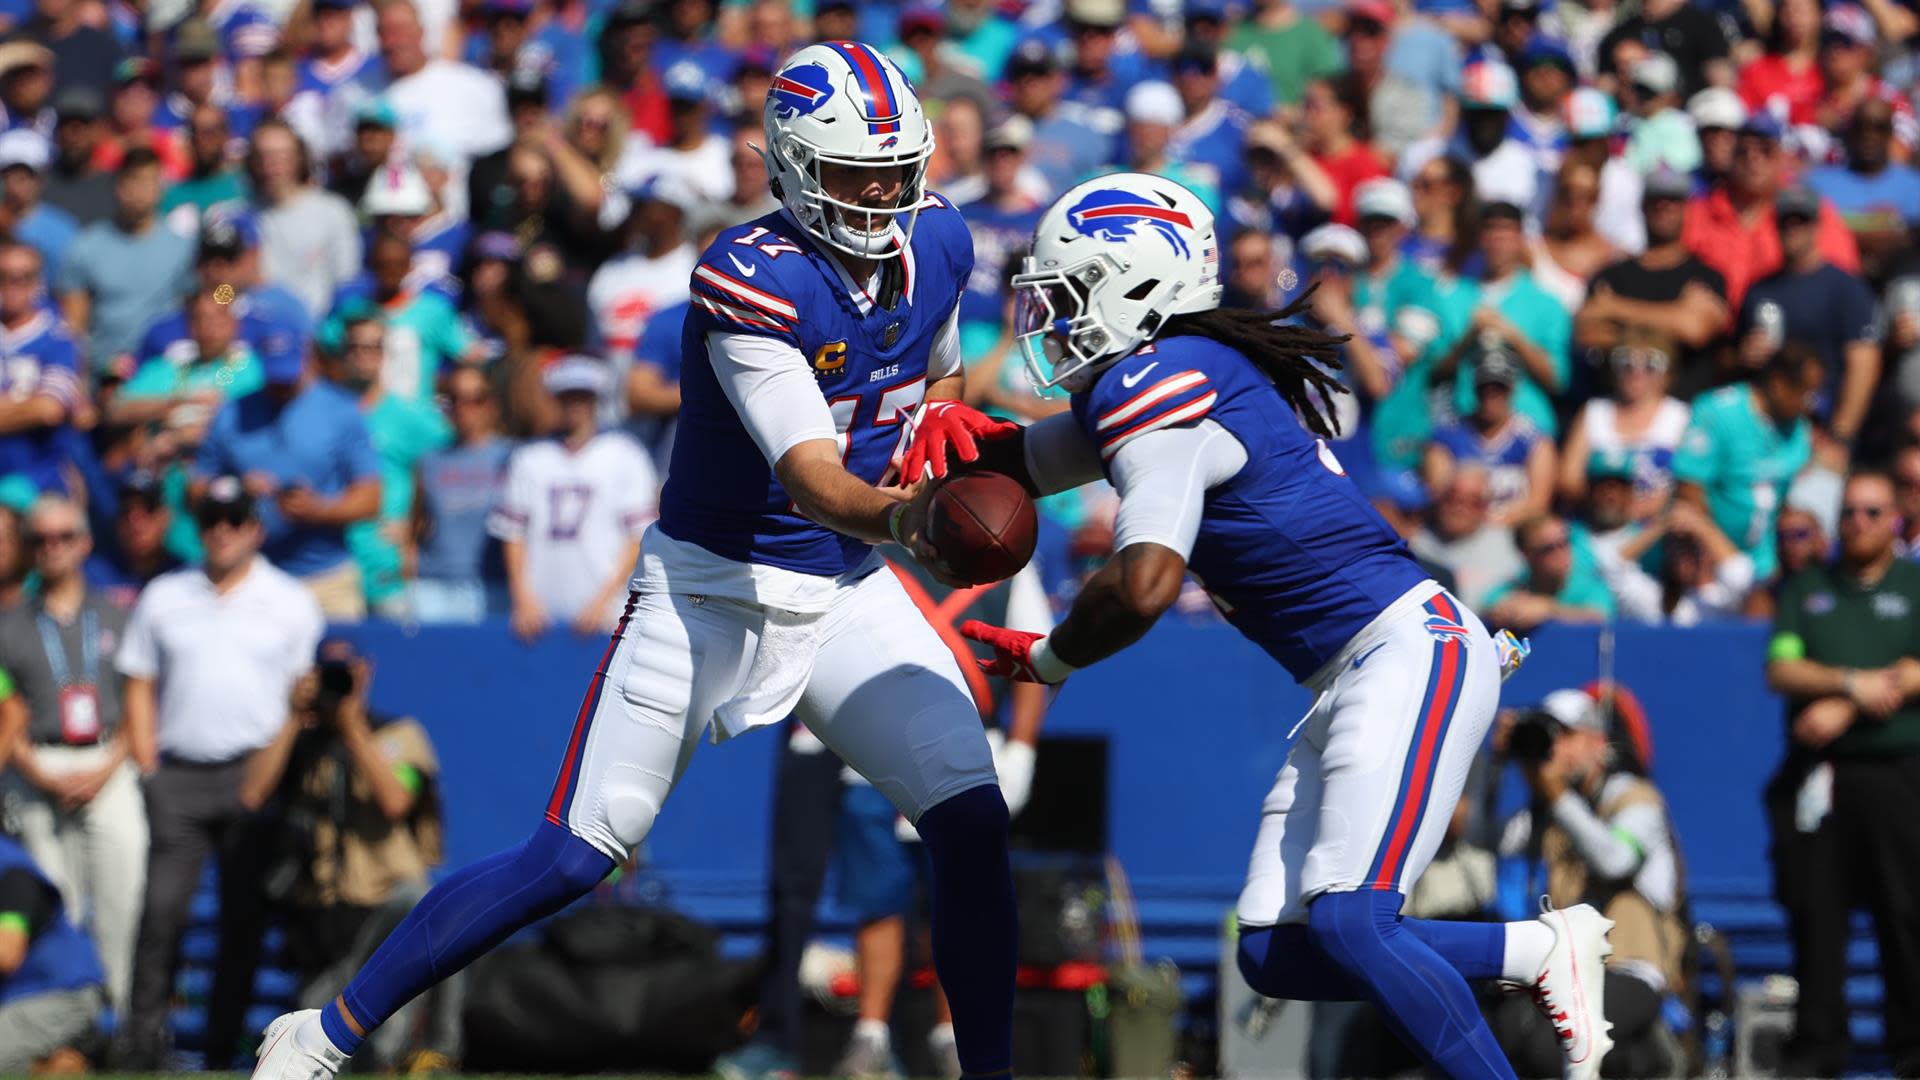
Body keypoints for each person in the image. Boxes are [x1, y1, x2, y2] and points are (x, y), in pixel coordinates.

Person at [251, 45, 1021, 1080]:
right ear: (792, 167)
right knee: (574, 853)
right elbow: (812, 479)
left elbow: (935, 367)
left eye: (897, 169)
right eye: (856, 174)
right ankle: (322, 1036)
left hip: (843, 591)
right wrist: (922, 521)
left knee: (971, 818)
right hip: (710, 591)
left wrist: (939, 421)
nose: (883, 194)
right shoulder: (751, 279)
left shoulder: (941, 240)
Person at [932, 172, 1612, 1080]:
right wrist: (910, 442)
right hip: (1360, 667)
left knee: (1348, 919)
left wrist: (1053, 657)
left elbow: (1142, 585)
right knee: (1274, 949)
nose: (1048, 318)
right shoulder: (1156, 377)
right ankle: (1535, 951)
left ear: (1136, 285)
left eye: (1067, 293)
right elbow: (1019, 458)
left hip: (1406, 648)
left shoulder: (1158, 381)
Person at [116, 479, 326, 1069]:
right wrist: (148, 765)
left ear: (255, 529)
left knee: (244, 917)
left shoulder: (289, 600)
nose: (222, 530)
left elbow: (300, 698)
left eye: (235, 519)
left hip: (252, 774)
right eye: (212, 518)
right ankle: (141, 1042)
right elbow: (138, 681)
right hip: (178, 774)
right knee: (162, 912)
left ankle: (219, 1048)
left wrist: (271, 775)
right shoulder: (165, 594)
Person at [238, 637, 457, 1071]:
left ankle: (435, 1051)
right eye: (328, 670)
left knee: (428, 902)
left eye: (347, 670)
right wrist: (292, 717)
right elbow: (251, 794)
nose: (338, 679)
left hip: (382, 909)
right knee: (317, 1042)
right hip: (323, 921)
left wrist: (352, 727)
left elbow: (395, 800)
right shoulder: (301, 740)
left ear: (366, 670)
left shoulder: (397, 735)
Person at [1765, 469, 1920, 1076]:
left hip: (1898, 775)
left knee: (1905, 914)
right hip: (1820, 777)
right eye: (1849, 513)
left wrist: (1846, 704)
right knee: (1817, 914)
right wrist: (1855, 683)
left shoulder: (1913, 587)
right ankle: (1819, 1047)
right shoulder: (1809, 589)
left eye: (1872, 513)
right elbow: (1782, 667)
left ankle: (1911, 1048)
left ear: (1897, 523)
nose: (1858, 523)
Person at [1490, 689, 1689, 1078]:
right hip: (1561, 970)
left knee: (1553, 1049)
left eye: (1566, 735)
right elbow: (1482, 842)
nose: (1556, 749)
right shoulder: (1548, 811)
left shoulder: (1636, 798)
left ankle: (1651, 1059)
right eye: (1550, 737)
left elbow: (1614, 860)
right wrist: (1496, 765)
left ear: (1596, 741)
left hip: (1630, 969)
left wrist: (1556, 794)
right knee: (1501, 1033)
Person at [0, 495, 146, 1016]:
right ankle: (62, 1022)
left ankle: (117, 1018)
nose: (53, 548)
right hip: (36, 763)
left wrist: (108, 766)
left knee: (121, 895)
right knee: (54, 900)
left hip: (106, 760)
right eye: (40, 539)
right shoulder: (11, 621)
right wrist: (35, 769)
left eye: (64, 536)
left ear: (85, 542)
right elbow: (6, 712)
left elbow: (138, 705)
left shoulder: (116, 614)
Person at [193, 321, 382, 621]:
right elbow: (195, 490)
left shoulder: (342, 411)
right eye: (274, 375)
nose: (281, 385)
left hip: (326, 579)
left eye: (288, 374)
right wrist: (236, 491)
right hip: (247, 579)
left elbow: (371, 498)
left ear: (308, 354)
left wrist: (317, 510)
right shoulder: (232, 413)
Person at [489, 358, 655, 639]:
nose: (575, 405)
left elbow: (638, 538)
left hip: (606, 613)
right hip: (539, 614)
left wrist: (604, 600)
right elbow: (513, 534)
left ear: (595, 400)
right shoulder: (529, 458)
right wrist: (523, 599)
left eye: (582, 396)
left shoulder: (626, 454)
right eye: (568, 396)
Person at [323, 305, 451, 618]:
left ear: (385, 353)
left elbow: (452, 464)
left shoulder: (411, 416)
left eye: (373, 347)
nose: (363, 355)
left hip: (387, 564)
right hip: (334, 563)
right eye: (355, 347)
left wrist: (416, 527)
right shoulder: (324, 412)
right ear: (343, 353)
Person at [1736, 184, 1881, 454]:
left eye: (1801, 221)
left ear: (1817, 226)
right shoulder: (1759, 289)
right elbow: (1731, 359)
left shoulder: (1845, 287)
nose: (1793, 228)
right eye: (1786, 221)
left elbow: (1863, 363)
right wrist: (1744, 355)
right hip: (1760, 429)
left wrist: (1841, 436)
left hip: (1821, 429)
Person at [1672, 346, 1822, 584]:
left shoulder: (1799, 430)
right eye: (1805, 394)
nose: (1809, 405)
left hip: (1765, 565)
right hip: (1712, 564)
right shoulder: (1716, 412)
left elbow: (1782, 499)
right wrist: (1708, 554)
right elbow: (1690, 489)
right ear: (1778, 384)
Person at [1575, 169, 1729, 399]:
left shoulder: (1706, 276)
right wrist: (1674, 319)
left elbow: (1694, 329)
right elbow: (1587, 331)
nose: (1664, 208)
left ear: (1686, 209)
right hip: (1618, 411)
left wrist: (1614, 308)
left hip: (1685, 410)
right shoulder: (1611, 275)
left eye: (1673, 201)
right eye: (1656, 200)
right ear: (1642, 206)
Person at [54, 147, 192, 373]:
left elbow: (211, 300)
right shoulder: (86, 246)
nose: (140, 191)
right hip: (105, 373)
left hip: (165, 373)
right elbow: (72, 329)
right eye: (133, 181)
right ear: (118, 186)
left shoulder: (183, 246)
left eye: (149, 181)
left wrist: (228, 292)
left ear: (161, 188)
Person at [409, 365, 511, 623]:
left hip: (493, 585)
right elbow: (414, 524)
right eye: (454, 399)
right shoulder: (429, 460)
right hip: (434, 585)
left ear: (491, 404)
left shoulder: (512, 456)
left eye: (475, 399)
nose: (464, 408)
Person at [0, 832, 108, 1073]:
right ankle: (51, 1062)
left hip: (57, 996)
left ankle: (71, 1057)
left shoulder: (12, 872)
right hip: (17, 999)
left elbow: (7, 953)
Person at [1558, 333, 1691, 513]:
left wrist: (1645, 508)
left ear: (1668, 373)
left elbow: (1690, 481)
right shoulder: (1595, 412)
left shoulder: (1681, 417)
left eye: (1651, 365)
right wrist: (1611, 506)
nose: (1636, 373)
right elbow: (1569, 479)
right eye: (1625, 363)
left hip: (1657, 526)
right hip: (1598, 520)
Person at [1424, 349, 1556, 528]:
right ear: (1475, 389)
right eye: (1484, 388)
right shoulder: (1448, 435)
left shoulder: (1533, 439)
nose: (1490, 396)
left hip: (1511, 534)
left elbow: (1538, 503)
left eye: (1499, 389)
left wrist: (1496, 524)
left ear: (1511, 390)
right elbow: (1437, 494)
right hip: (1457, 532)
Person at [0, 241, 83, 499]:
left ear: (38, 283)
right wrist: (25, 407)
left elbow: (49, 409)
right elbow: (37, 407)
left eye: (23, 277)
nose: (12, 286)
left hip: (40, 482)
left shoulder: (58, 337)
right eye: (3, 276)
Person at [1411, 465, 1525, 612]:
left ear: (1486, 506)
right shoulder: (1416, 543)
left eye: (1473, 501)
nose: (1460, 507)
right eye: (1453, 497)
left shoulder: (1509, 546)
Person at [1485, 513, 1617, 632]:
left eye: (1564, 542)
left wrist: (1548, 610)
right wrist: (1508, 612)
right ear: (1527, 555)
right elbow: (1491, 607)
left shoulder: (1592, 587)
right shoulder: (1517, 585)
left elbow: (1597, 618)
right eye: (1548, 548)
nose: (1560, 552)